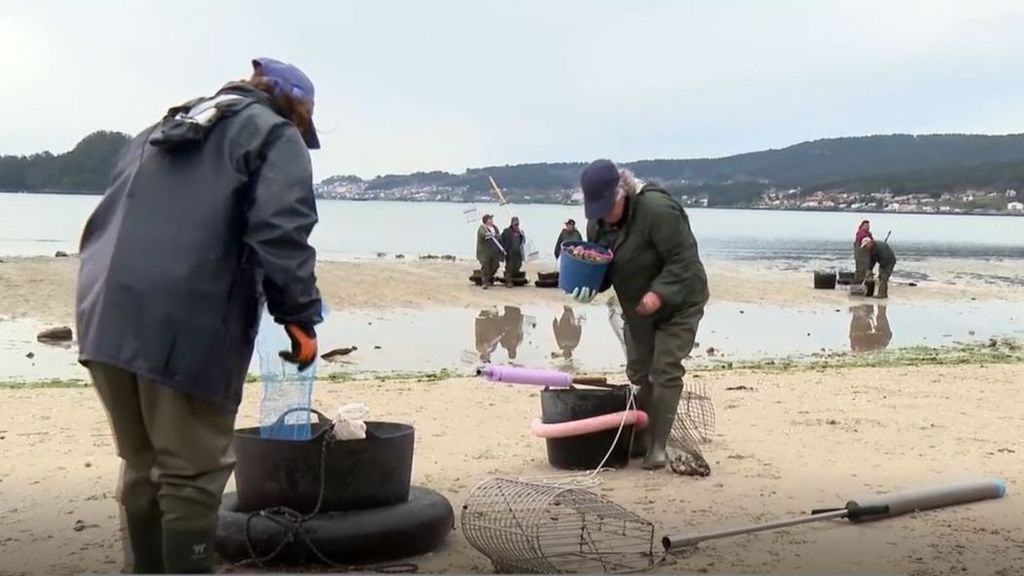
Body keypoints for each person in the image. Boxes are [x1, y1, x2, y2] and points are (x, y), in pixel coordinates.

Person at [75, 58, 323, 573]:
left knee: (143, 464)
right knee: (192, 474)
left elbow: (103, 221)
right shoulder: (275, 135)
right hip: (186, 324)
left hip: (102, 314)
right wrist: (299, 317)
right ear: (295, 106)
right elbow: (281, 231)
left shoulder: (159, 129)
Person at [570, 159, 709, 470]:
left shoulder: (657, 211)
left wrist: (658, 293)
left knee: (665, 368)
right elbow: (603, 264)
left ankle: (658, 447)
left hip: (681, 301)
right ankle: (643, 438)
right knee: (638, 371)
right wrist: (588, 283)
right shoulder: (598, 224)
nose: (604, 214)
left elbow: (683, 259)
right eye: (597, 209)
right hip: (638, 307)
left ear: (624, 191)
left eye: (609, 205)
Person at [476, 214, 504, 289]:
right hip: (485, 252)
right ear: (486, 221)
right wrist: (488, 234)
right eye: (489, 219)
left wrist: (496, 236)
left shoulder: (495, 228)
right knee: (486, 267)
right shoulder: (482, 228)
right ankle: (484, 282)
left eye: (491, 219)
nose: (491, 220)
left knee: (495, 265)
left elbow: (498, 236)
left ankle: (489, 278)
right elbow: (482, 235)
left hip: (495, 251)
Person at [500, 217, 526, 287]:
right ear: (511, 224)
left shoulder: (521, 232)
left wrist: (521, 234)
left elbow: (523, 242)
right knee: (509, 267)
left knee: (518, 265)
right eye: (515, 224)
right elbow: (501, 240)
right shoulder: (506, 231)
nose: (516, 225)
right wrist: (503, 250)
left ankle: (512, 279)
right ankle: (508, 281)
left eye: (517, 224)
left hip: (518, 253)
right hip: (509, 252)